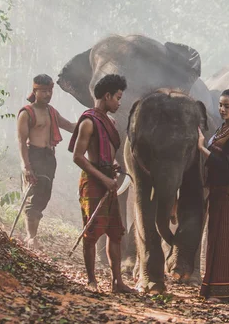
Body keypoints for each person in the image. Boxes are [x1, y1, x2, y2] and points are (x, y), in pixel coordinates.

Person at [69, 74, 135, 293]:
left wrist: (114, 166)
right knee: (92, 232)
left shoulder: (111, 122)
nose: (119, 102)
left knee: (115, 232)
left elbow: (110, 153)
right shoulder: (88, 121)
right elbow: (78, 157)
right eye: (117, 97)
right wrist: (104, 177)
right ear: (106, 96)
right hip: (94, 182)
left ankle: (117, 282)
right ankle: (91, 281)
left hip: (109, 182)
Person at [197, 87, 229, 303]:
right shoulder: (222, 130)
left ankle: (226, 292)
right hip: (219, 190)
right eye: (220, 105)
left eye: (226, 106)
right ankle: (214, 288)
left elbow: (227, 164)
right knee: (216, 238)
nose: (222, 109)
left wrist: (202, 148)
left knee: (227, 240)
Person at [17, 74, 76, 249]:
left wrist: (91, 120)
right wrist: (26, 167)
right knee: (33, 196)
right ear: (35, 91)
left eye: (50, 91)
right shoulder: (26, 113)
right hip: (33, 156)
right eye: (43, 91)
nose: (47, 94)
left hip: (49, 157)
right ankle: (30, 237)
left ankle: (33, 235)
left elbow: (71, 127)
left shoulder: (52, 112)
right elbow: (21, 142)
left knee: (44, 195)